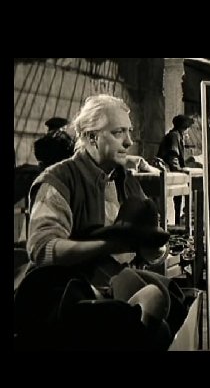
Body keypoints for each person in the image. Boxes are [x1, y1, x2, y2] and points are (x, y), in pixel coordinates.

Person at [22, 95, 179, 348]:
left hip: (113, 283)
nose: (128, 142)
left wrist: (154, 249)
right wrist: (109, 244)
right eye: (118, 132)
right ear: (92, 137)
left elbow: (152, 249)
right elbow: (42, 249)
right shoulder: (59, 180)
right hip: (64, 292)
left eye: (129, 131)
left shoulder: (127, 181)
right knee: (144, 325)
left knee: (170, 304)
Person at [158, 115, 194, 224]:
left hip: (169, 168)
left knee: (178, 197)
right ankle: (177, 221)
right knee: (179, 194)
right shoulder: (174, 136)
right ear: (184, 127)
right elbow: (172, 155)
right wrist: (178, 169)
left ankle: (178, 220)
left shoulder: (176, 135)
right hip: (166, 169)